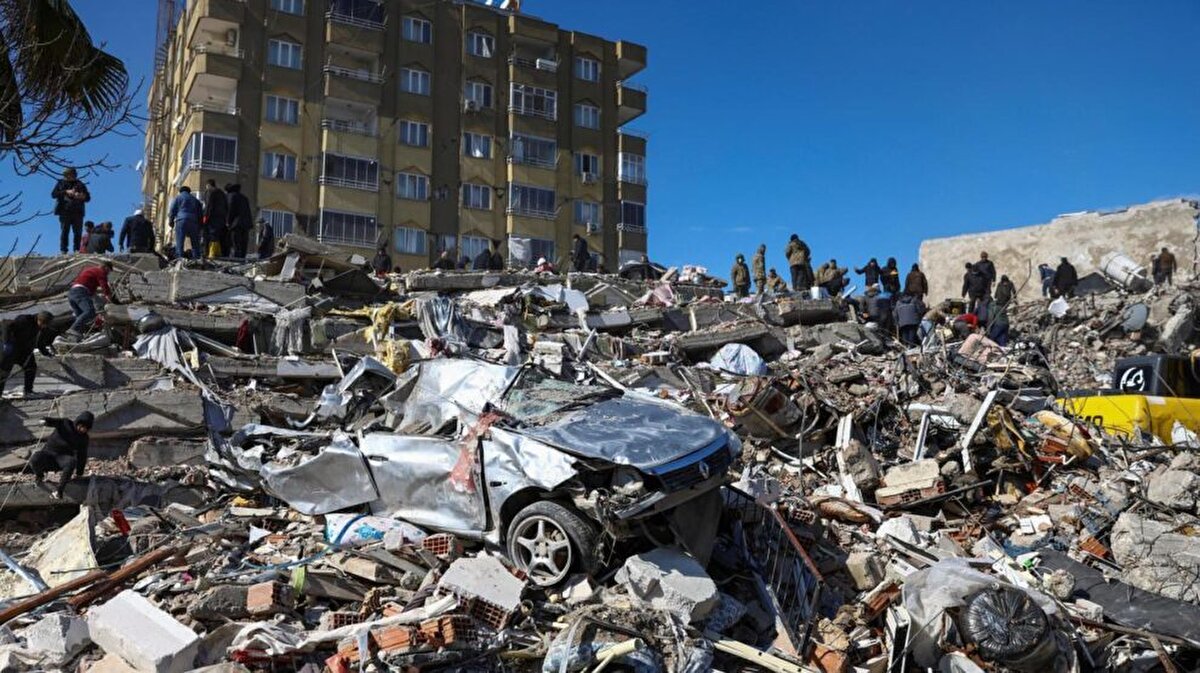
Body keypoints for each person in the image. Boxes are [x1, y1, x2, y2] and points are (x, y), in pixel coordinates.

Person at [28, 412, 93, 499]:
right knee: (35, 458)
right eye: (82, 426)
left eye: (86, 428)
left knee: (71, 462)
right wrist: (44, 421)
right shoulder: (65, 423)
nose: (83, 429)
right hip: (48, 454)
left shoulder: (83, 438)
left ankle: (59, 491)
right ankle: (39, 476)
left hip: (62, 459)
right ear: (78, 423)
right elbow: (53, 421)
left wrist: (79, 473)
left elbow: (82, 455)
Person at [0, 312, 55, 399]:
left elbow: (40, 342)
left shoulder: (42, 327)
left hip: (24, 352)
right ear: (39, 319)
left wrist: (46, 353)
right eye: (43, 324)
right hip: (10, 349)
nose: (44, 327)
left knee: (31, 367)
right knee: (3, 373)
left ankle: (28, 391)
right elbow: (5, 324)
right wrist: (6, 342)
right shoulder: (24, 320)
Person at [65, 261, 116, 340]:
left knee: (80, 316)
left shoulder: (91, 271)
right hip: (80, 292)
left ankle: (74, 337)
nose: (108, 274)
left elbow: (92, 293)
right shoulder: (100, 272)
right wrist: (109, 298)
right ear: (105, 267)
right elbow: (104, 286)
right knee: (90, 311)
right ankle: (73, 329)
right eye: (108, 271)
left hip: (72, 293)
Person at [52, 168, 90, 255]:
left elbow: (88, 197)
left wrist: (81, 196)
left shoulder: (80, 184)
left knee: (77, 232)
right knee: (65, 231)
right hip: (65, 211)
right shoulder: (61, 183)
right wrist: (66, 192)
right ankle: (63, 250)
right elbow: (54, 194)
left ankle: (77, 250)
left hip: (78, 212)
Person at [168, 186, 203, 260]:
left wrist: (171, 221)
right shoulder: (195, 200)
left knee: (180, 240)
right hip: (193, 221)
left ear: (180, 191)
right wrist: (200, 225)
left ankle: (180, 258)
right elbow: (200, 213)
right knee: (195, 242)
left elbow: (172, 209)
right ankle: (196, 258)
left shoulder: (178, 198)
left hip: (181, 220)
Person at [202, 179, 229, 258]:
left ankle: (211, 253)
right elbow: (226, 207)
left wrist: (205, 216)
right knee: (218, 235)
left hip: (212, 217)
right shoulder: (222, 194)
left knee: (211, 235)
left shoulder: (210, 191)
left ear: (208, 185)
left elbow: (209, 205)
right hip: (222, 218)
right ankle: (218, 252)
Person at [226, 184, 253, 259]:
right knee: (243, 243)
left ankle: (236, 259)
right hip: (246, 224)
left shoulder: (231, 196)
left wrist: (228, 221)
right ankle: (242, 259)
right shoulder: (244, 198)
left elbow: (230, 210)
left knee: (236, 243)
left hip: (236, 224)